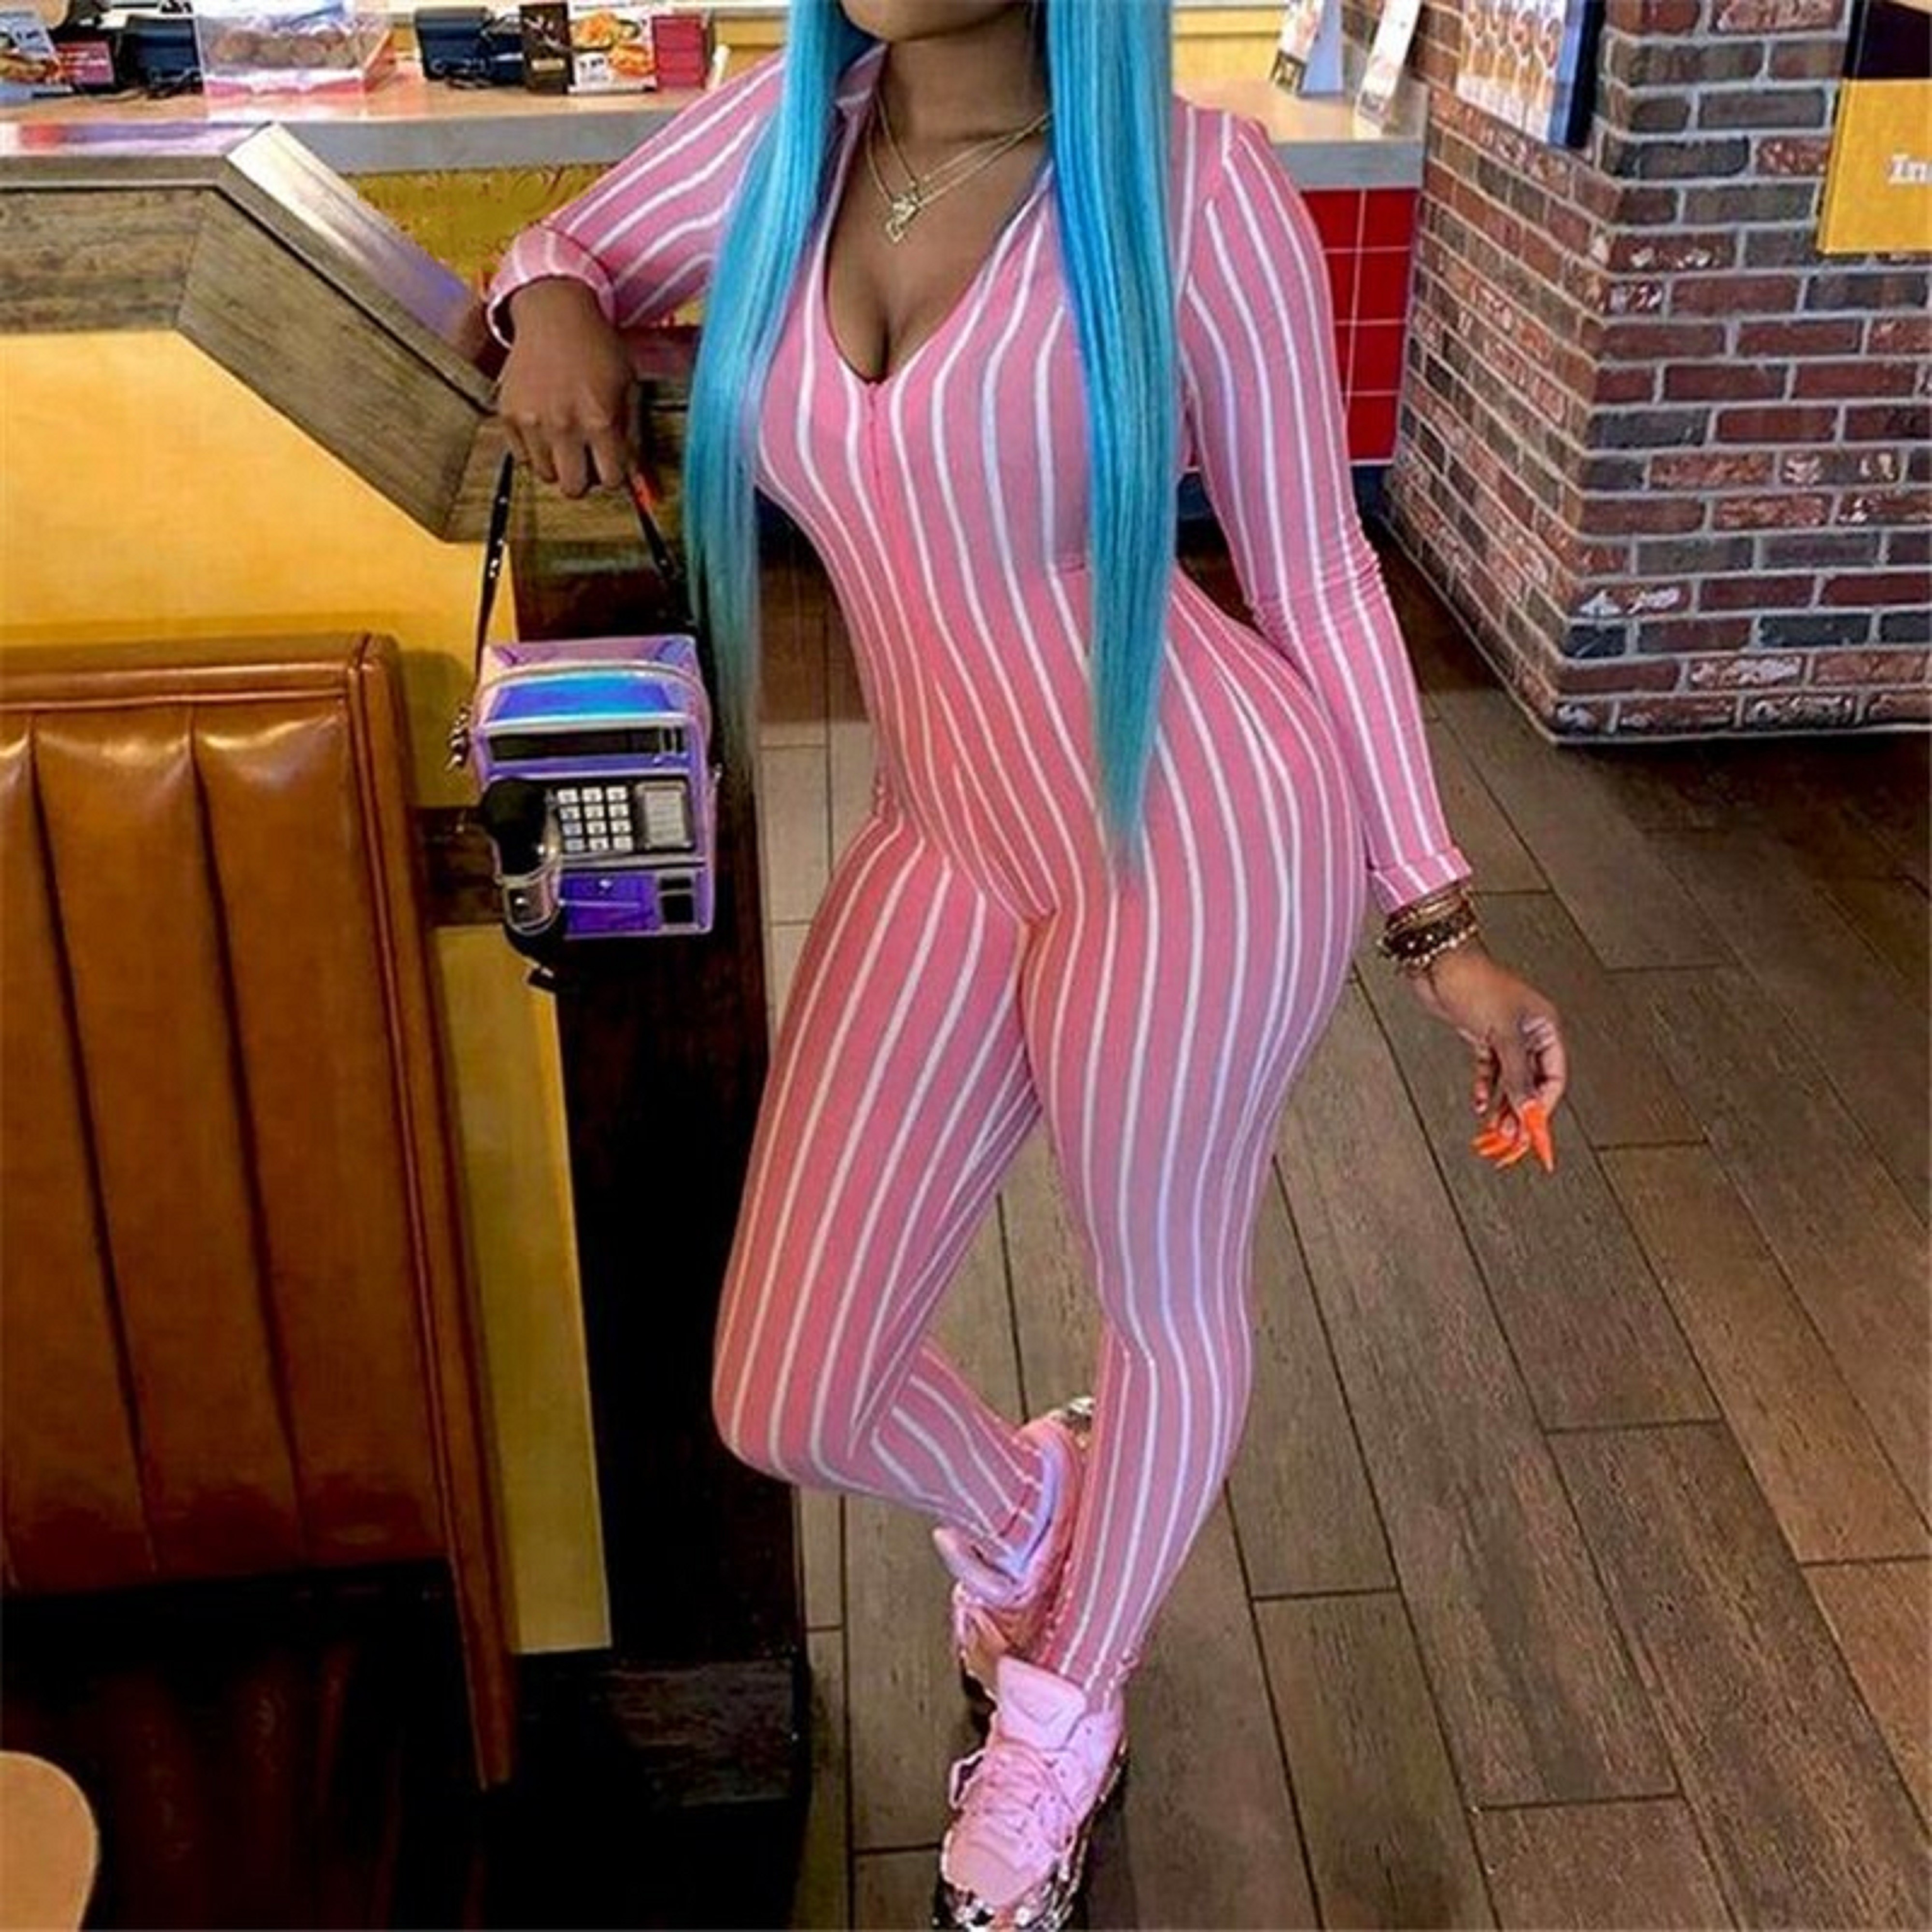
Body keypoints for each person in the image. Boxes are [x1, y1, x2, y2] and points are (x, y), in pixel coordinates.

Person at [485, 3, 1569, 1925]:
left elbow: (1318, 573)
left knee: (1161, 1292)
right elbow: (559, 244)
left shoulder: (1193, 187)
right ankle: (1030, 1507)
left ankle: (1066, 1700)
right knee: (784, 1388)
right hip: (946, 834)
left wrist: (1438, 920)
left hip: (1195, 827)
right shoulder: (783, 139)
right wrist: (550, 303)